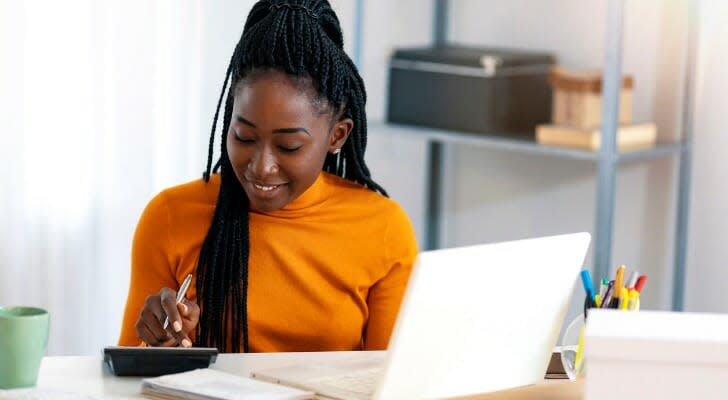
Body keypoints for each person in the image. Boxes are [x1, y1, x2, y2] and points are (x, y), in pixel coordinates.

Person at [118, 0, 418, 353]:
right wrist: (158, 343)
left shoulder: (382, 229)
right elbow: (127, 376)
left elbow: (394, 382)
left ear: (337, 136)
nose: (261, 166)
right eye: (244, 137)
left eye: (288, 146)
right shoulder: (170, 216)